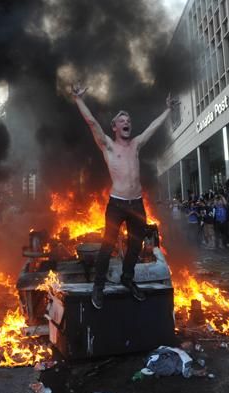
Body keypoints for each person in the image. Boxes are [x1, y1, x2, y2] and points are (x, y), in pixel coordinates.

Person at [72, 82, 179, 309]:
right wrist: (79, 99)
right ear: (114, 127)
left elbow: (152, 128)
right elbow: (91, 122)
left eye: (128, 120)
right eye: (122, 121)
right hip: (117, 204)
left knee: (135, 245)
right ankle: (98, 287)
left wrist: (168, 110)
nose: (127, 123)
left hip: (137, 204)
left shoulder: (136, 144)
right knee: (107, 246)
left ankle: (127, 278)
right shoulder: (108, 146)